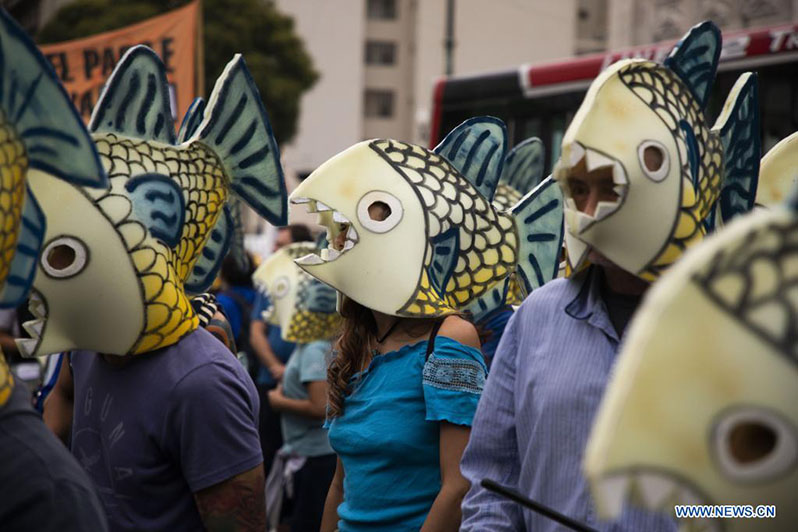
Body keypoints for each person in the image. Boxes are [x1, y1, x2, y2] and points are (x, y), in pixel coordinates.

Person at [460, 21, 758, 530]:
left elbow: (760, 501)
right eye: (579, 190)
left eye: (611, 190)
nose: (591, 212)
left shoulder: (740, 329)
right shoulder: (536, 316)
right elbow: (491, 478)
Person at [289, 139, 507, 531]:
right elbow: (341, 485)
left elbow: (458, 487)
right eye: (341, 231)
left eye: (358, 227)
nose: (340, 242)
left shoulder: (450, 340)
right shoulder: (355, 345)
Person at [254, 241, 341, 531]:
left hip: (315, 459)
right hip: (307, 456)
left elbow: (320, 406)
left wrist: (279, 402)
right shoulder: (310, 346)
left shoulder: (315, 348)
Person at [250, 223, 313, 474]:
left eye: (281, 245)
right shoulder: (271, 283)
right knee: (267, 450)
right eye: (275, 244)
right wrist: (276, 368)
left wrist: (296, 370)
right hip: (271, 381)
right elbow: (257, 333)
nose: (274, 249)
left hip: (307, 383)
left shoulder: (315, 285)